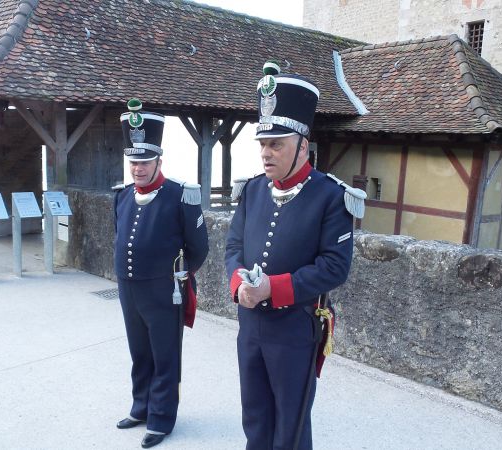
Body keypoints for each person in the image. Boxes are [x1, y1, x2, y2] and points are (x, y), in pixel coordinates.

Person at [225, 61, 366, 450]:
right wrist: (240, 283)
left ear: (303, 145)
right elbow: (233, 246)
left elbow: (335, 267)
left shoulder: (331, 196)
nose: (266, 154)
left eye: (277, 144)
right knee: (254, 418)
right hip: (250, 324)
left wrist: (274, 288)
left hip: (294, 330)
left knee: (291, 424)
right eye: (263, 144)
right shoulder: (253, 190)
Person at [112, 98, 209, 448]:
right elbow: (119, 236)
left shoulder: (180, 196)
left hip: (164, 289)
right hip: (128, 287)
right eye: (133, 161)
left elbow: (199, 248)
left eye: (145, 161)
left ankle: (162, 417)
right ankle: (141, 407)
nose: (138, 168)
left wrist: (179, 279)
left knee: (165, 355)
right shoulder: (121, 197)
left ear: (158, 160)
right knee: (139, 352)